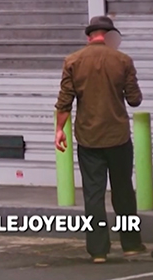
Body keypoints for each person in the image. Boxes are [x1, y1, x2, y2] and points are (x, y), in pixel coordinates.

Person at [54, 16, 146, 263]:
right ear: (109, 36)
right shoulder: (123, 60)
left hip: (88, 138)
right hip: (118, 138)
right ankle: (131, 245)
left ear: (89, 36)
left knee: (93, 194)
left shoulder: (72, 61)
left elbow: (65, 101)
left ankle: (98, 251)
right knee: (123, 191)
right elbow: (135, 99)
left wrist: (59, 129)